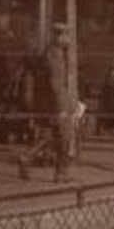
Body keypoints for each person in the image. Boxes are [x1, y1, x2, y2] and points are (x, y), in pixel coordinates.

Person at [17, 22, 78, 182]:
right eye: (67, 36)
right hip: (55, 104)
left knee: (47, 137)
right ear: (60, 36)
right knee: (66, 137)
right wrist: (63, 108)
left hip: (45, 103)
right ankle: (61, 174)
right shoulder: (55, 55)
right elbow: (56, 84)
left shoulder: (49, 52)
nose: (69, 39)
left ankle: (26, 157)